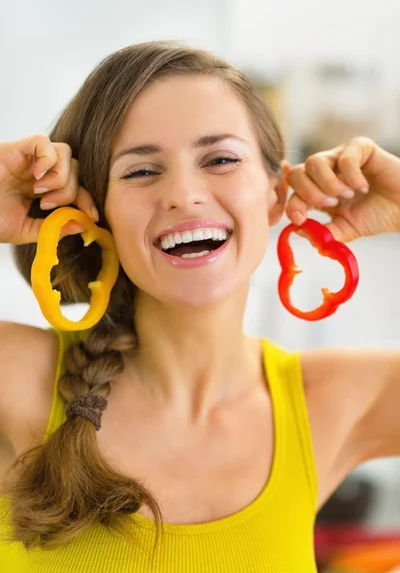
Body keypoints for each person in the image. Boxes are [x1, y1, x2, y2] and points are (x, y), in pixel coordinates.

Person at [0, 41, 399, 573]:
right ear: (94, 213)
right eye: (141, 171)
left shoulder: (334, 401)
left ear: (275, 195)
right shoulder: (19, 378)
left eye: (221, 159)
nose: (184, 194)